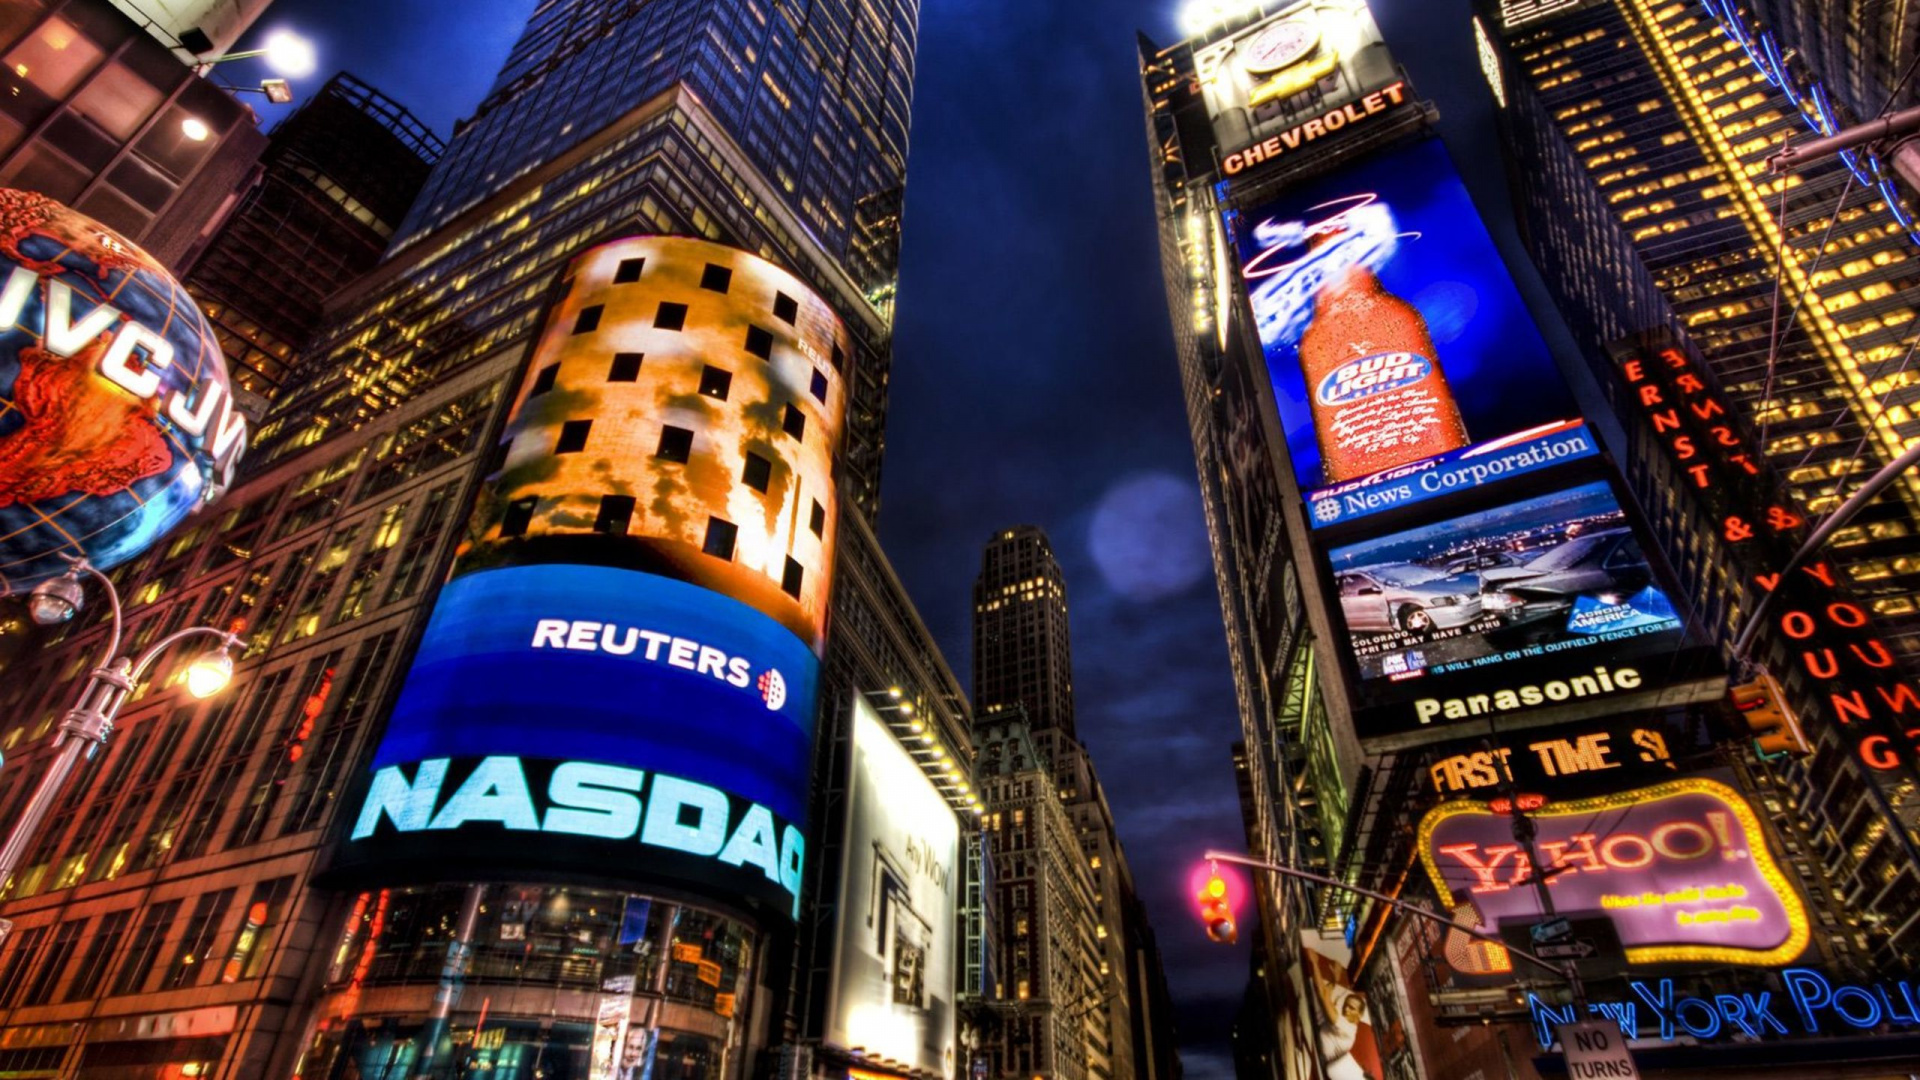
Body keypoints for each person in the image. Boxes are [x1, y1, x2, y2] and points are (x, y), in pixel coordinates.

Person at [1317, 988, 1372, 1080]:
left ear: (1360, 1015)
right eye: (1346, 1005)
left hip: (1320, 1062)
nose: (1346, 1009)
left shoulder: (1347, 1029)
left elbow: (1324, 995)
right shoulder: (1345, 1021)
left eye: (1351, 1008)